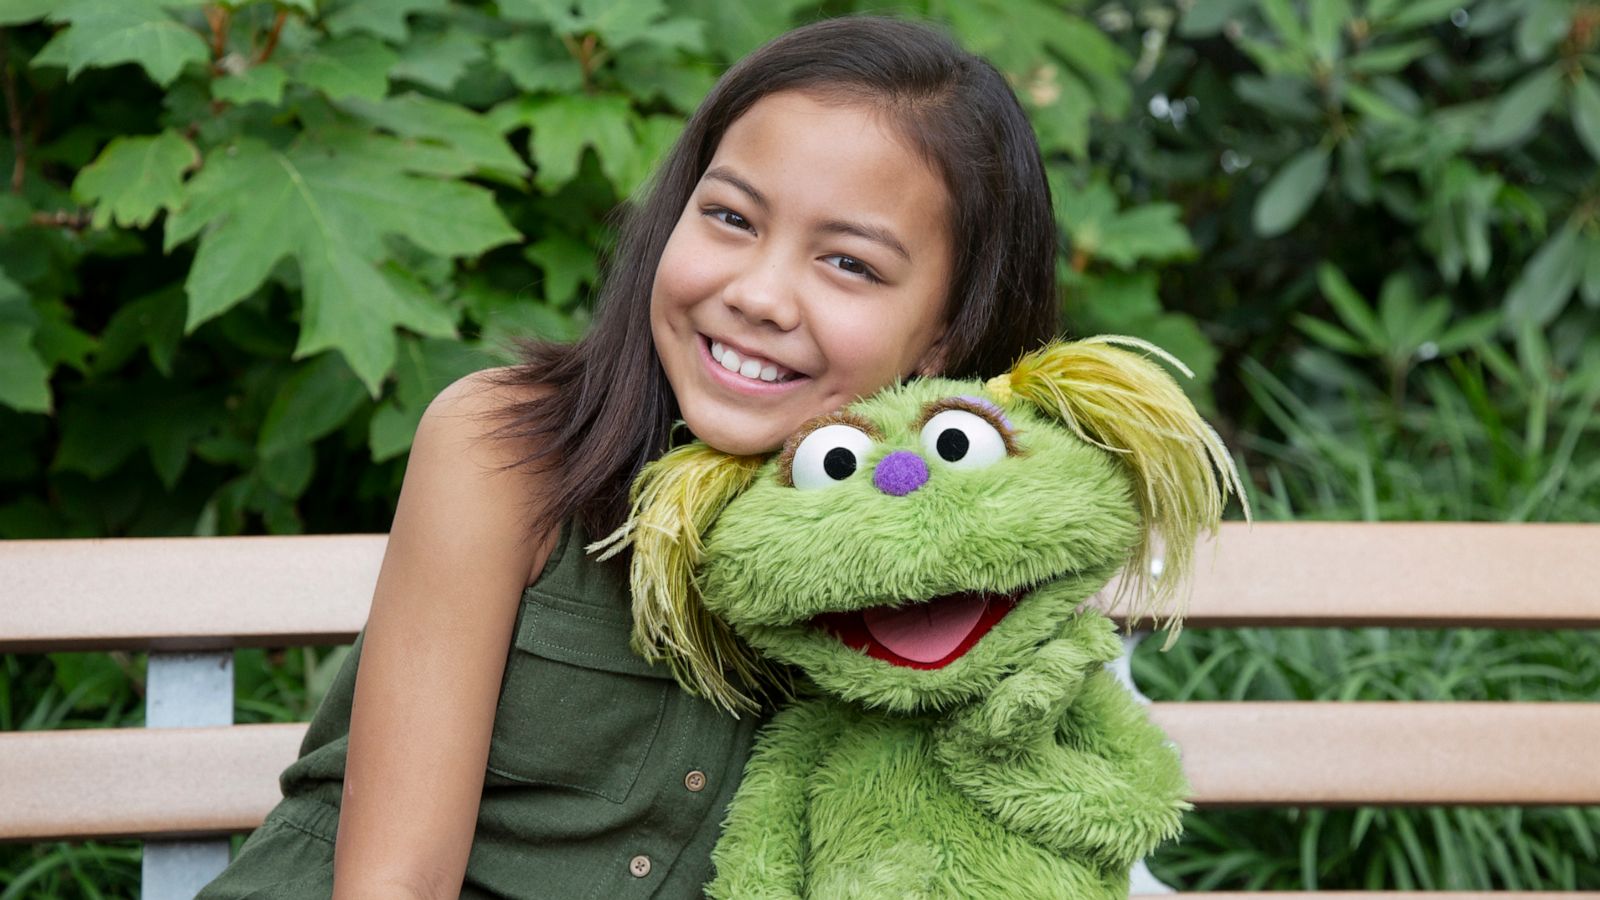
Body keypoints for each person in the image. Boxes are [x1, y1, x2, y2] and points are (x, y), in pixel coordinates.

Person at [198, 15, 1061, 899]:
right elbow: (394, 883)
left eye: (848, 263)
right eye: (729, 217)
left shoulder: (952, 573)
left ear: (947, 332)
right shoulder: (506, 447)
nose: (758, 295)